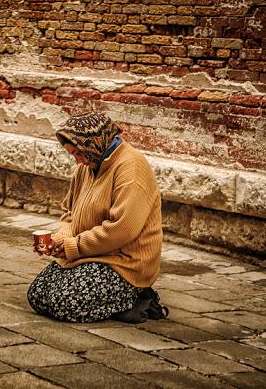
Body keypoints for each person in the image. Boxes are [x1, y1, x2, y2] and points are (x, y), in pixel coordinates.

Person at [27, 112, 166, 323]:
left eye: (79, 153)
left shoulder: (131, 168)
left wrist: (73, 246)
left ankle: (139, 298)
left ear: (94, 143)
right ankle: (116, 303)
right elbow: (70, 213)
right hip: (91, 254)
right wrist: (60, 239)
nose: (77, 160)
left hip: (124, 262)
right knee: (37, 295)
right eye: (72, 154)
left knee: (64, 304)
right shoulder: (87, 165)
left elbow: (122, 229)